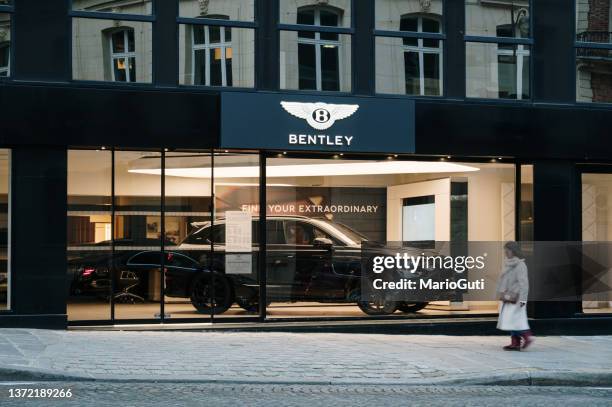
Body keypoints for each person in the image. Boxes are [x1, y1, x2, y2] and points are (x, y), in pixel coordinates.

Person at [496, 241, 534, 351]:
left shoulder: (520, 265)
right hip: (508, 297)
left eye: (508, 250)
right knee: (510, 320)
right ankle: (515, 342)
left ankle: (527, 336)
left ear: (514, 251)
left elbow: (524, 284)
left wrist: (523, 300)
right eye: (505, 250)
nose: (506, 252)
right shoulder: (508, 263)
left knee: (515, 320)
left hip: (517, 298)